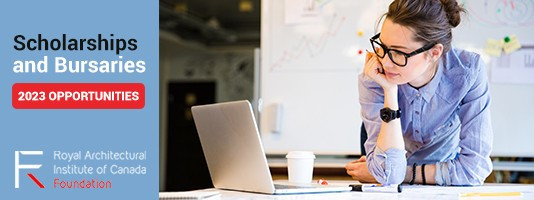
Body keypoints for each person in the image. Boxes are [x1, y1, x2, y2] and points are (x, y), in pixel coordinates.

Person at [345, 0, 493, 186]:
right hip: (402, 173)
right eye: (382, 46)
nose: (385, 62)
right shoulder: (375, 76)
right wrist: (390, 91)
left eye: (399, 53)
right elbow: (387, 175)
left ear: (434, 53)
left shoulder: (467, 71)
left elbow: (473, 170)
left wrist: (405, 174)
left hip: (445, 174)